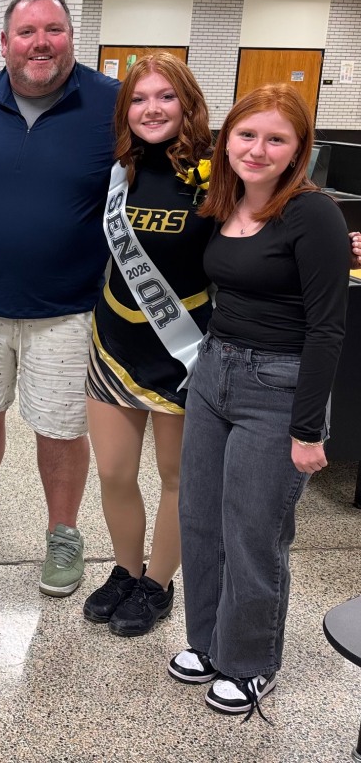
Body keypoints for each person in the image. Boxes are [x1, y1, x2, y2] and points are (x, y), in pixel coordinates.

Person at [169, 84, 350, 717]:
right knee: (200, 517)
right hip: (214, 373)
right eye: (247, 135)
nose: (258, 149)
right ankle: (208, 642)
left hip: (279, 386)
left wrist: (308, 430)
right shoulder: (222, 203)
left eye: (277, 139)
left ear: (299, 149)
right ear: (227, 139)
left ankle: (249, 662)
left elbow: (329, 328)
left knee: (253, 531)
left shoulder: (313, 214)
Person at [0, 0, 119, 597]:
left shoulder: (110, 106)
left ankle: (64, 531)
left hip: (68, 310)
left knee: (61, 428)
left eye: (53, 30)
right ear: (5, 43)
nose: (40, 43)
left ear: (71, 36)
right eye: (27, 33)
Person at [82, 53, 214, 636]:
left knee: (176, 477)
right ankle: (125, 569)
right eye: (138, 99)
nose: (151, 109)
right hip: (113, 342)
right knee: (113, 472)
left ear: (186, 103)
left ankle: (158, 584)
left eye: (165, 97)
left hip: (185, 352)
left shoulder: (218, 172)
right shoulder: (118, 171)